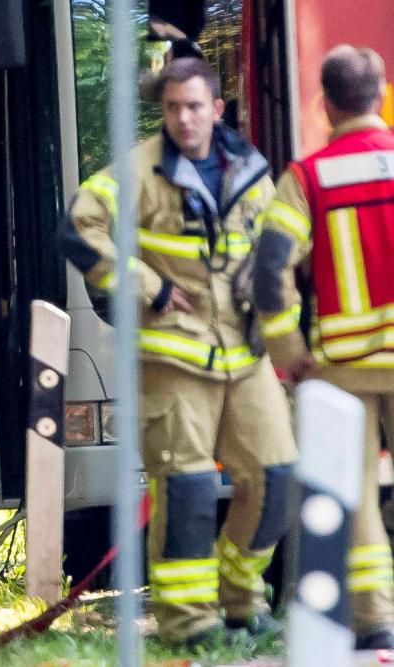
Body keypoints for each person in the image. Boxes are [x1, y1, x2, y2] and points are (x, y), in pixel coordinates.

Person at [66, 57, 297, 648]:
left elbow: (272, 252)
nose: (183, 119)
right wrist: (151, 287)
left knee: (276, 479)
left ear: (216, 109)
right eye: (172, 108)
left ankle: (242, 599)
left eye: (194, 106)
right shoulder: (137, 171)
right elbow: (78, 229)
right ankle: (188, 625)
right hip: (173, 360)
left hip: (244, 357)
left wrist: (283, 335)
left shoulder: (250, 167)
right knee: (190, 493)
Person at [253, 45, 394, 650]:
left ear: (325, 104)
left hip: (343, 368)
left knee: (356, 494)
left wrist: (287, 349)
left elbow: (268, 271)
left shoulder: (305, 179)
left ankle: (375, 619)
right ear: (383, 93)